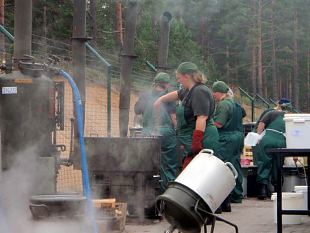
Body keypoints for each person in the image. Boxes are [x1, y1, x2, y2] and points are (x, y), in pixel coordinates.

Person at [153, 62, 220, 172]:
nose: (178, 81)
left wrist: (196, 144)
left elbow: (202, 118)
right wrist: (160, 100)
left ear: (187, 76)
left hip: (203, 140)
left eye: (179, 78)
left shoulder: (199, 91)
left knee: (200, 175)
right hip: (191, 140)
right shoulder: (189, 90)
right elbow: (177, 94)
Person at [134, 72, 177, 193]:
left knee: (148, 163)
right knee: (168, 165)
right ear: (167, 84)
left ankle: (147, 195)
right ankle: (167, 194)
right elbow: (174, 118)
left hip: (147, 133)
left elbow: (137, 111)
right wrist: (177, 131)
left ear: (155, 82)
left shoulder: (145, 95)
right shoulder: (169, 96)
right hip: (166, 133)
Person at [212, 81, 244, 210]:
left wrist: (206, 124)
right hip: (238, 136)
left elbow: (219, 124)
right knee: (235, 165)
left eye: (214, 93)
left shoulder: (224, 104)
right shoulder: (236, 105)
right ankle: (237, 194)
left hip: (227, 138)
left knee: (223, 166)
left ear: (219, 92)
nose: (213, 95)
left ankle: (225, 197)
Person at [254, 98, 292, 200]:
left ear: (278, 105)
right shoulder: (289, 117)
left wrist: (258, 136)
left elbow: (261, 124)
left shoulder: (271, 113)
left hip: (267, 140)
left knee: (264, 164)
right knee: (278, 165)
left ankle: (262, 190)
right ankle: (277, 191)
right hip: (281, 142)